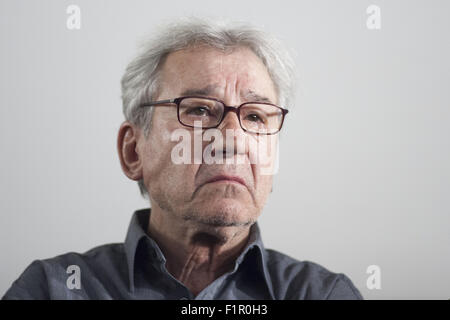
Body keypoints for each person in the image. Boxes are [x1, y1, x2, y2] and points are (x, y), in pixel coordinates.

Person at [2, 18, 363, 300]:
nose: (233, 139)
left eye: (255, 116)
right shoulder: (54, 288)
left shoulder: (323, 293)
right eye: (199, 110)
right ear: (133, 151)